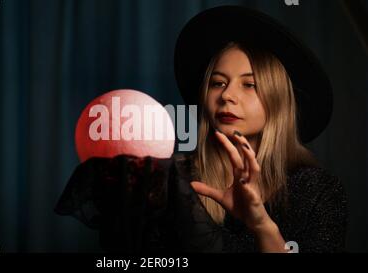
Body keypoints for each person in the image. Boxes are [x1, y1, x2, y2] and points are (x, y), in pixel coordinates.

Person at [55, 6, 348, 253]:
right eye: (218, 83)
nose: (227, 95)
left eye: (249, 85)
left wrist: (260, 223)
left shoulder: (318, 191)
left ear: (279, 101)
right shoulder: (168, 182)